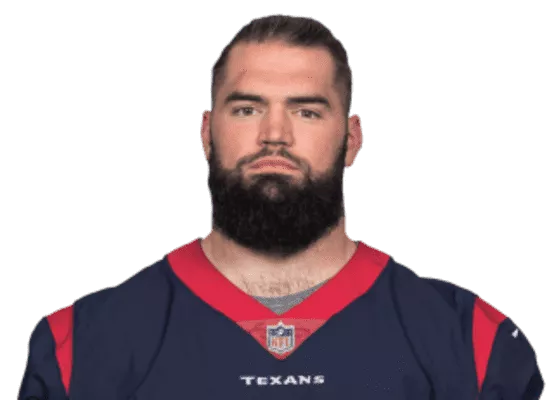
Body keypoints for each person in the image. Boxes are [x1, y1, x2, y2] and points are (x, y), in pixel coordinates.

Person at [17, 13, 544, 400]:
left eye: (307, 112)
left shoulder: (472, 344)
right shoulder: (80, 347)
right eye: (247, 109)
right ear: (207, 133)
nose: (275, 135)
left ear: (352, 138)